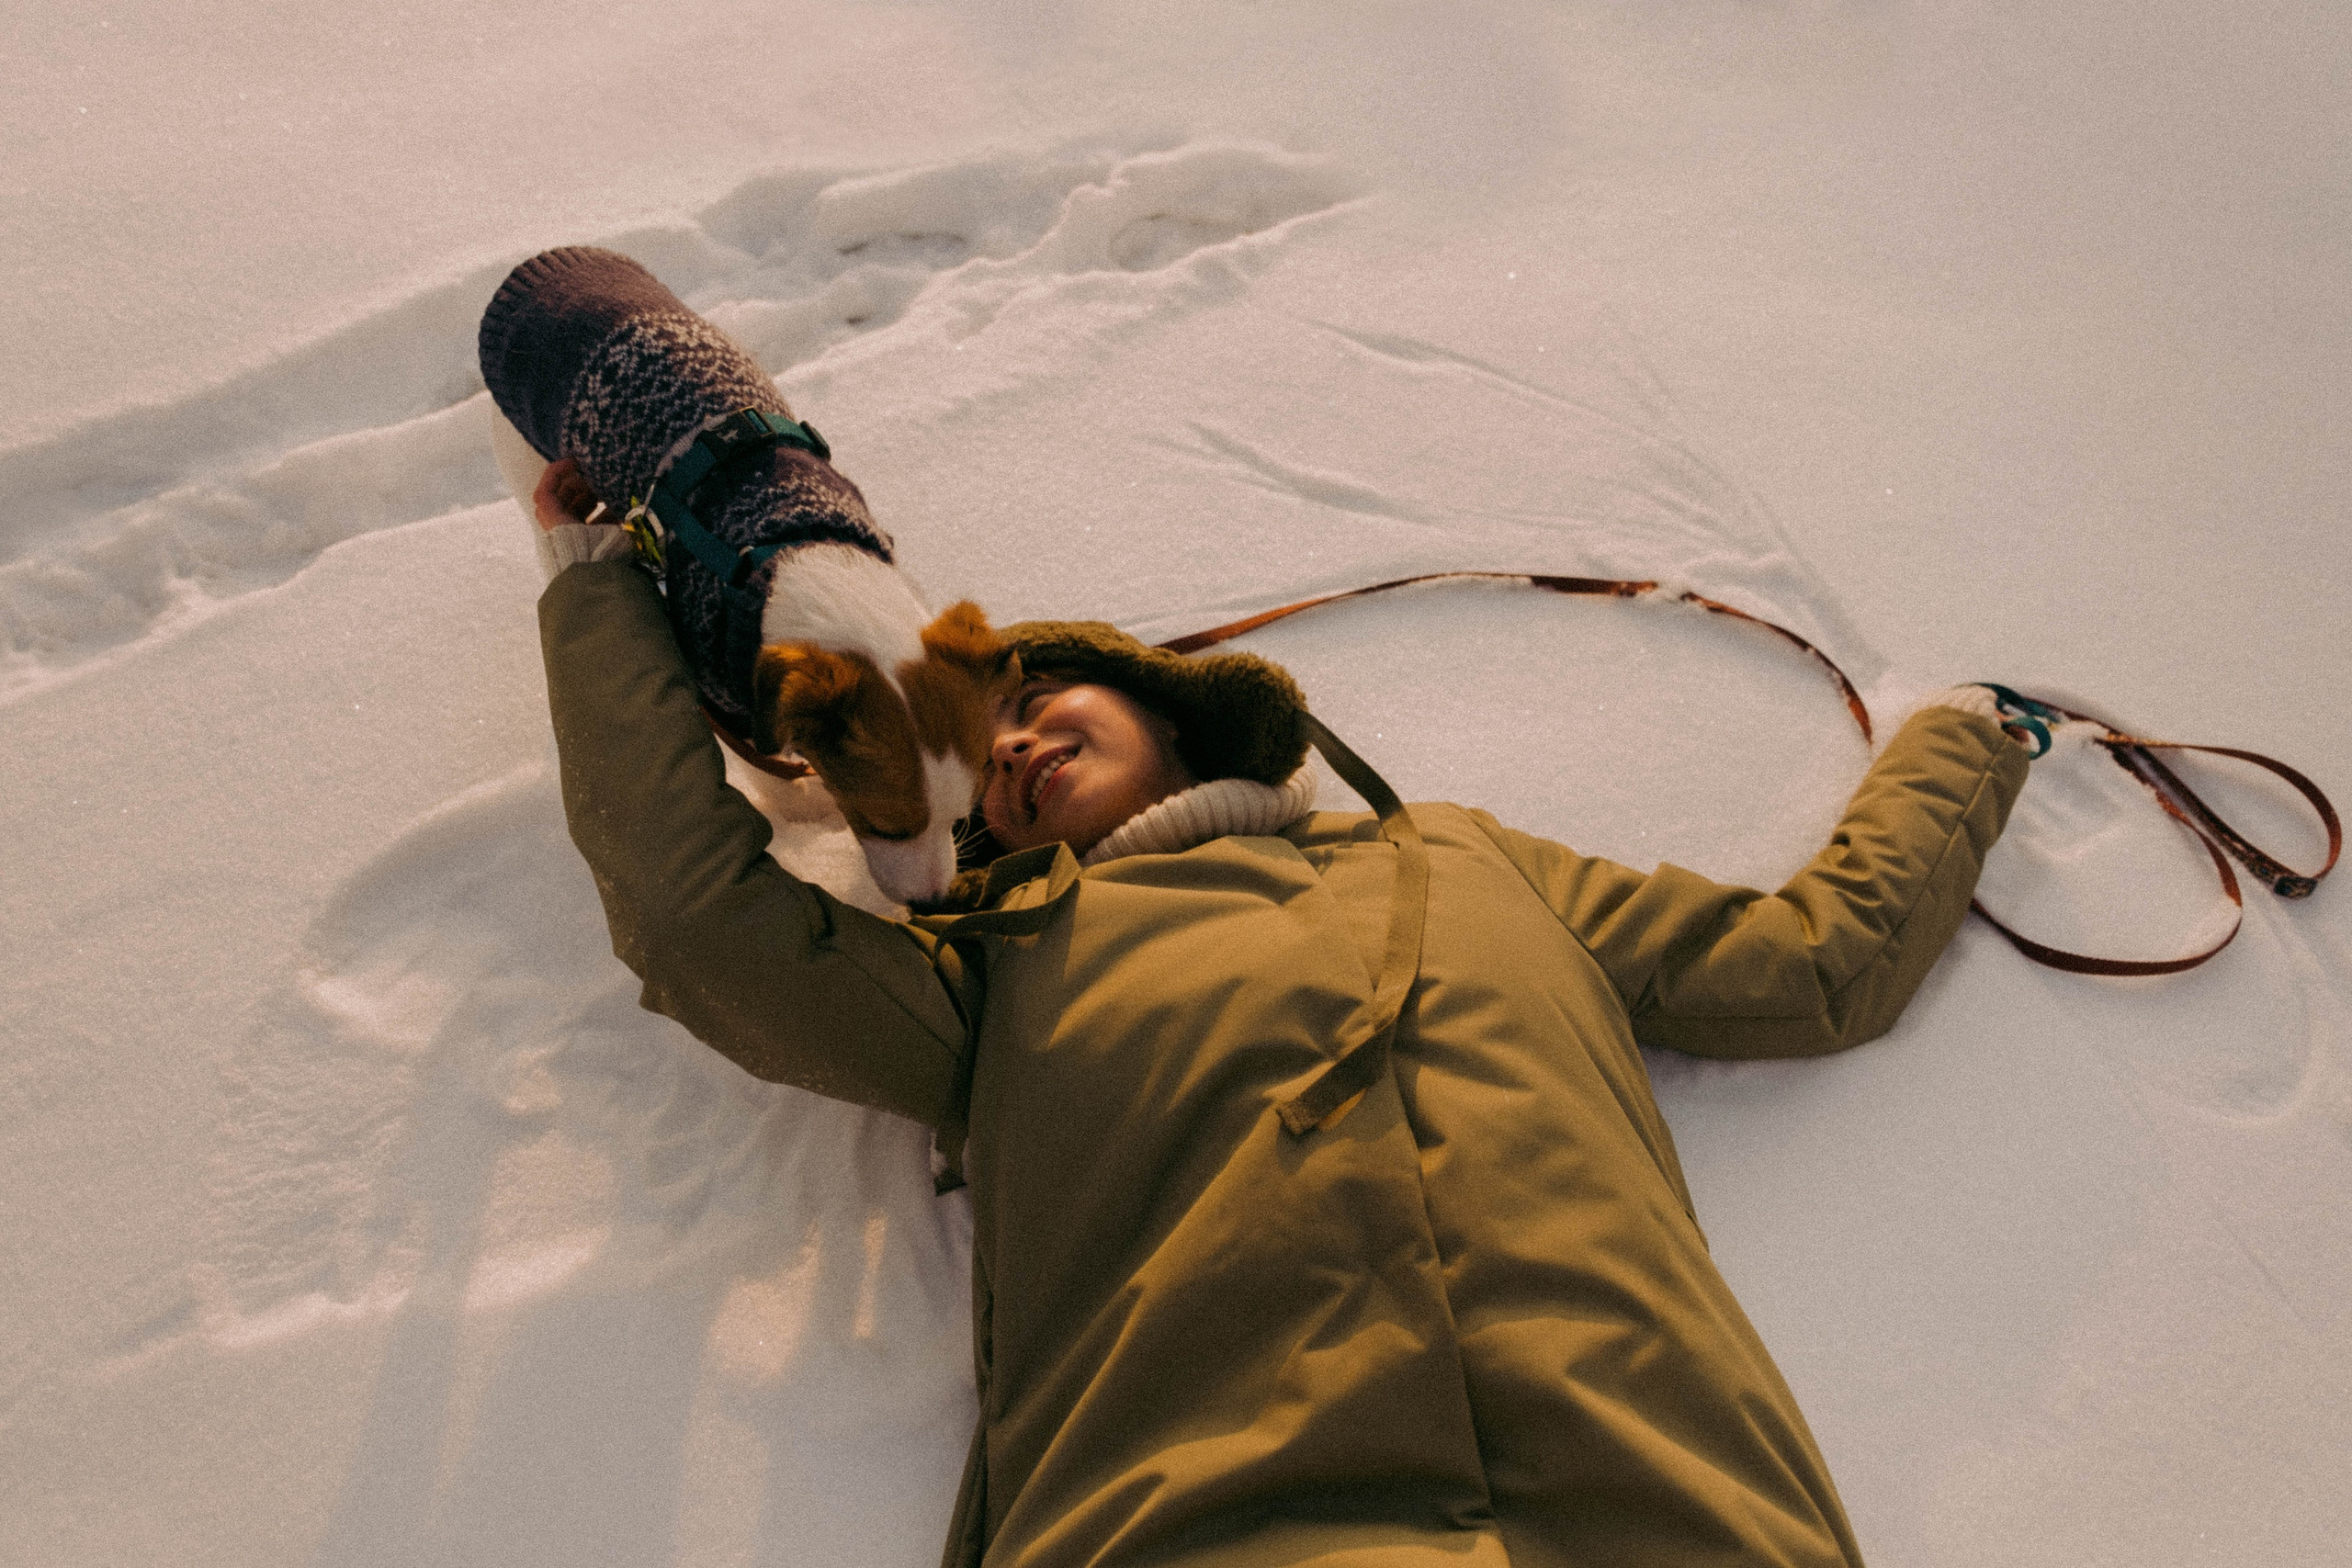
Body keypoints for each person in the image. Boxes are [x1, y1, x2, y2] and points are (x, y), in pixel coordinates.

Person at [527, 456, 2031, 1568]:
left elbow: (1813, 962)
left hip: (1661, 1510)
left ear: (1168, 705)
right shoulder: (993, 972)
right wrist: (597, 586)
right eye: (980, 761)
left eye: (1045, 695)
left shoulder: (1464, 857)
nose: (1019, 743)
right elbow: (700, 922)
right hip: (1210, 1522)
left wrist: (1964, 738)